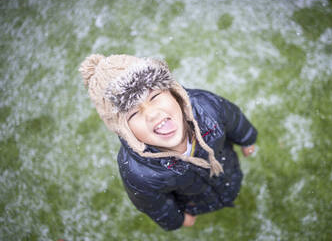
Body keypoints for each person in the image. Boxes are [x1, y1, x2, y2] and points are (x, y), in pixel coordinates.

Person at [79, 54, 257, 231]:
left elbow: (235, 120)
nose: (152, 114)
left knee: (234, 185)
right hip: (197, 202)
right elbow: (153, 204)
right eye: (133, 114)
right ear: (125, 130)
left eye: (154, 97)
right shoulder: (137, 171)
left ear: (173, 91)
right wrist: (177, 219)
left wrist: (247, 139)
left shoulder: (207, 107)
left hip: (229, 171)